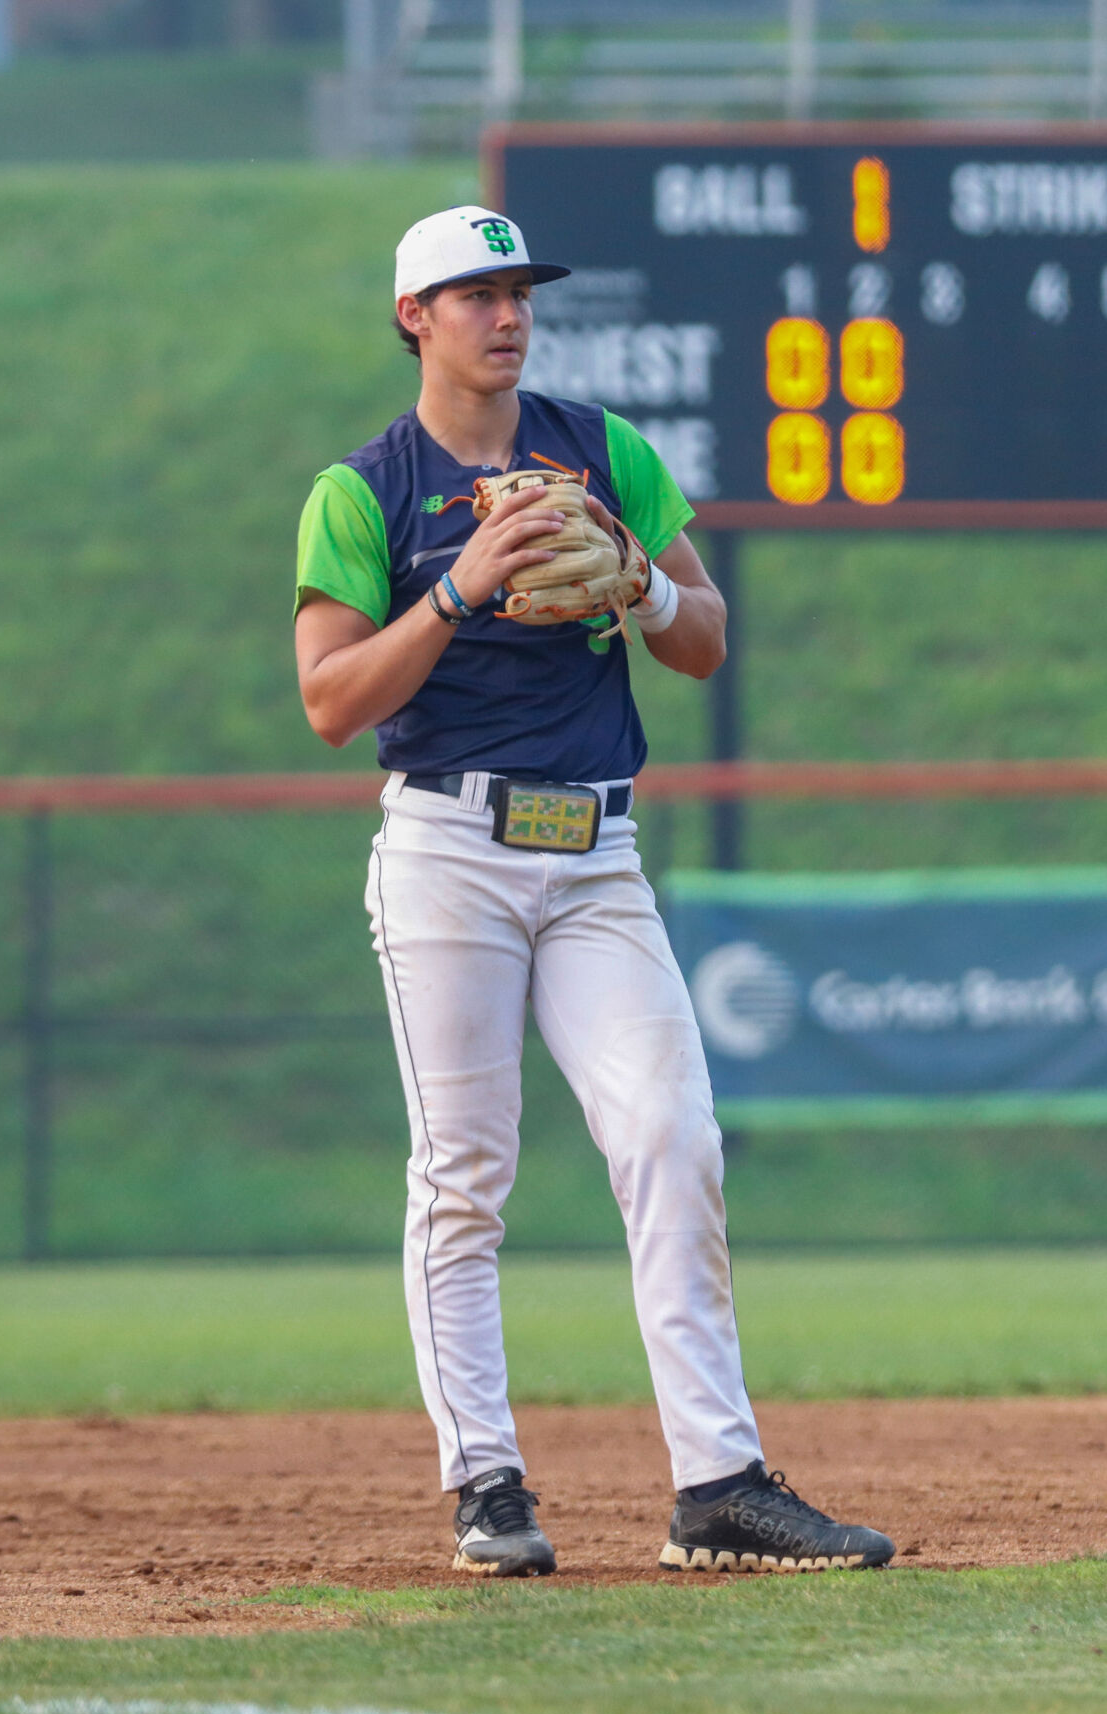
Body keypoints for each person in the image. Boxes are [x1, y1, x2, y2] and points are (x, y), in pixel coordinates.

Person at [294, 205, 895, 1579]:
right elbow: (330, 700)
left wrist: (639, 585)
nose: (507, 315)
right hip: (449, 847)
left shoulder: (603, 449)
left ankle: (719, 1487)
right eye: (475, 293)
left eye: (519, 292)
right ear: (414, 318)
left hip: (596, 853)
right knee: (465, 1176)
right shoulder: (365, 489)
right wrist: (456, 591)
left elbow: (705, 637)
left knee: (673, 1137)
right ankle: (489, 1487)